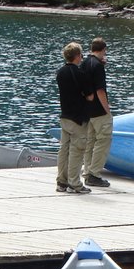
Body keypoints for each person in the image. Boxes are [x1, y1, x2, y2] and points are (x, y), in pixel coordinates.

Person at [55, 42, 94, 194]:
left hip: (65, 116)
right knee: (77, 151)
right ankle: (74, 183)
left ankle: (61, 181)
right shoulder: (80, 74)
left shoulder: (60, 72)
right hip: (78, 118)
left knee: (64, 150)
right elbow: (90, 96)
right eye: (81, 55)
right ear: (77, 56)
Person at [80, 37, 112, 187]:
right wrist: (107, 109)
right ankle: (95, 173)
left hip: (87, 109)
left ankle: (87, 171)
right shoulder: (98, 66)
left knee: (90, 142)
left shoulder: (84, 63)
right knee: (103, 140)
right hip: (99, 110)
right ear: (103, 50)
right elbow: (100, 90)